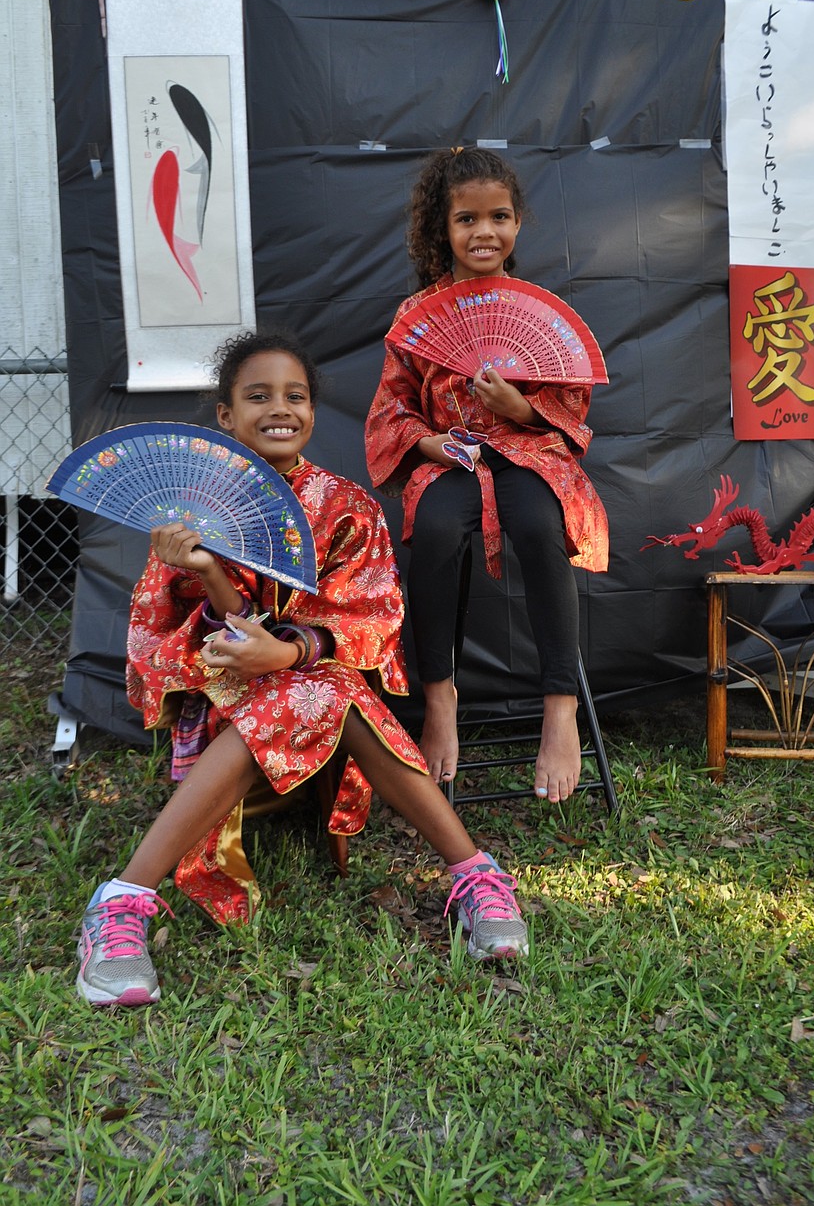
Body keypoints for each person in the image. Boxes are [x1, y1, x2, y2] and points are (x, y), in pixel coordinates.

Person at [76, 331, 529, 1007]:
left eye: (295, 395)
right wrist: (202, 572)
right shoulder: (189, 512)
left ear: (313, 412)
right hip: (224, 715)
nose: (278, 408)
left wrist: (285, 654)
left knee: (323, 685)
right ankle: (476, 873)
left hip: (324, 716)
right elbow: (169, 646)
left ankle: (123, 897)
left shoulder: (348, 507)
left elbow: (372, 620)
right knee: (311, 689)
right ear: (226, 416)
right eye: (256, 396)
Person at [365, 148, 608, 801]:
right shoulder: (417, 314)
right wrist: (429, 441)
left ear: (519, 222)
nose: (484, 232)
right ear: (442, 229)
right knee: (438, 529)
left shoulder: (541, 311)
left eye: (498, 216)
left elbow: (572, 404)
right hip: (455, 456)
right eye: (466, 219)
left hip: (529, 450)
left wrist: (519, 408)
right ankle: (440, 698)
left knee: (537, 522)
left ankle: (560, 707)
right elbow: (392, 406)